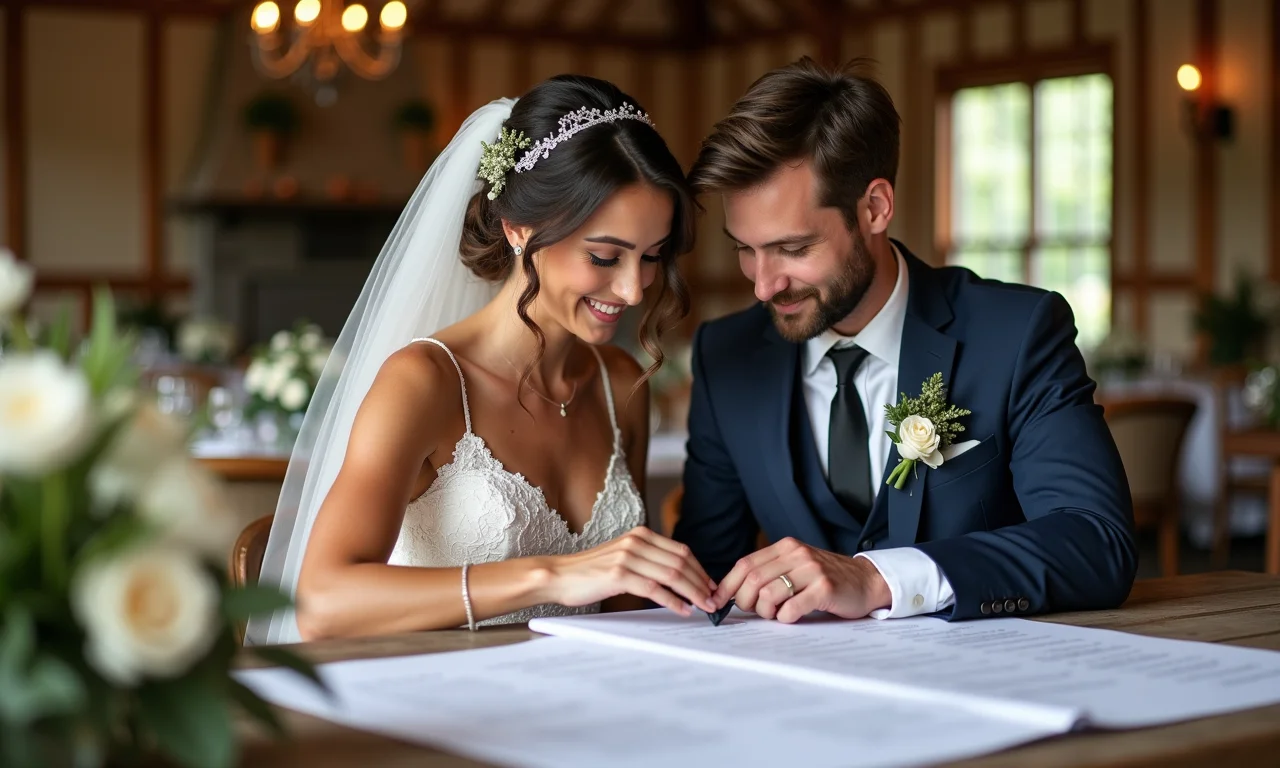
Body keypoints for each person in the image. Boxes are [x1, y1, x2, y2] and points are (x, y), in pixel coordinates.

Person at [245, 75, 716, 645]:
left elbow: (623, 608)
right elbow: (321, 601)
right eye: (604, 256)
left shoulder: (621, 386)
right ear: (519, 229)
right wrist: (548, 575)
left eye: (652, 257)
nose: (634, 290)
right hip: (437, 690)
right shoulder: (424, 384)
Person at [674, 57, 1137, 624]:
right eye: (745, 249)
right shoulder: (727, 357)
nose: (763, 285)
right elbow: (706, 582)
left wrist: (879, 579)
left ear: (874, 208)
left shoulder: (1016, 334)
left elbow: (1096, 542)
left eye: (793, 249)